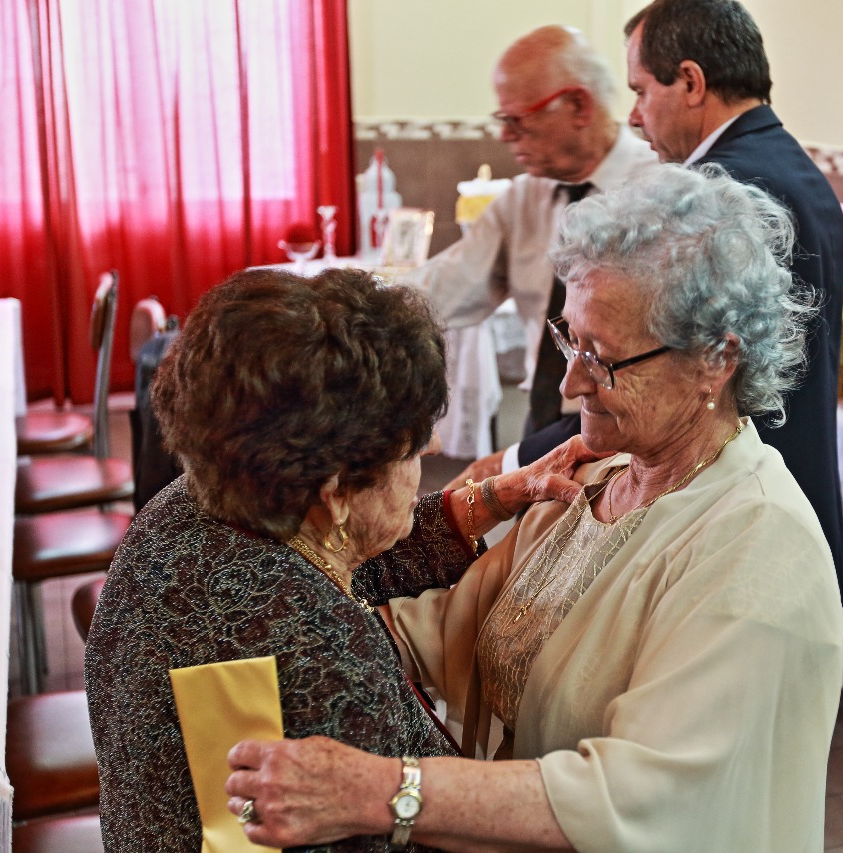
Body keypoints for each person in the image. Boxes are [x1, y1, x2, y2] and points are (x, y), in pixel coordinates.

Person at [225, 164, 843, 852]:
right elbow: (449, 628)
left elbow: (641, 799)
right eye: (569, 340)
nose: (571, 382)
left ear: (714, 362)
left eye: (602, 358)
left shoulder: (758, 545)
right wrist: (288, 636)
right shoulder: (594, 480)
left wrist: (378, 791)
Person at [84, 268, 599, 852]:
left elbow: (325, 554)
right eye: (412, 447)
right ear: (333, 491)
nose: (433, 448)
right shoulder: (324, 658)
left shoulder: (188, 506)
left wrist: (491, 499)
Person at [624, 0, 843, 607]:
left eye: (641, 91)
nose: (634, 116)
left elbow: (663, 375)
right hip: (796, 497)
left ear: (691, 82)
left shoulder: (716, 193)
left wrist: (520, 459)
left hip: (739, 522)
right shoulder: (797, 168)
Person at [401, 24, 656, 474]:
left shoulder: (662, 191)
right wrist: (348, 304)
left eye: (517, 119)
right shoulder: (522, 201)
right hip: (544, 417)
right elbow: (445, 288)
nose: (505, 135)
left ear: (578, 106)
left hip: (629, 428)